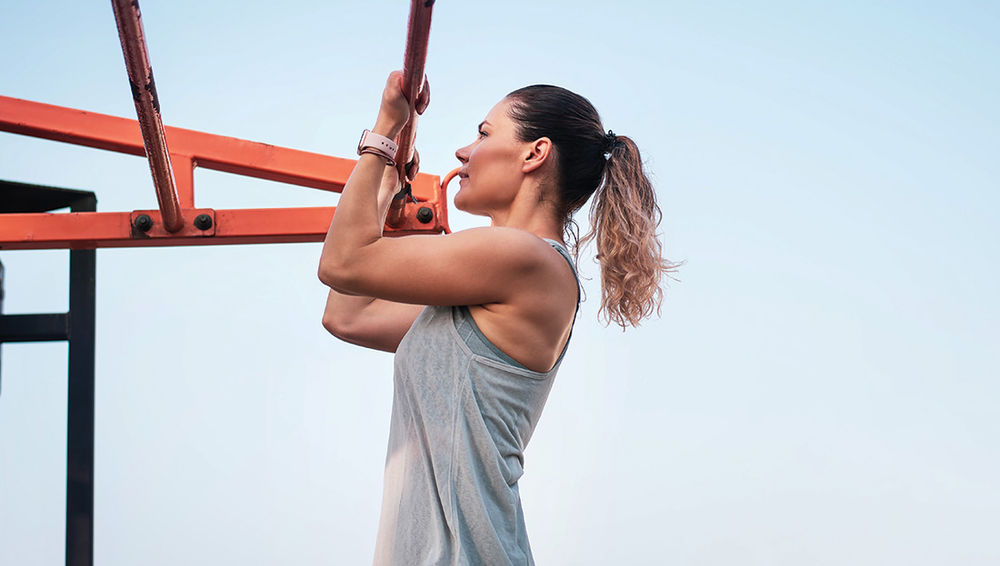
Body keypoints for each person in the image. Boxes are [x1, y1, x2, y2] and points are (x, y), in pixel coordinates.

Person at [318, 71, 677, 566]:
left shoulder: (523, 259)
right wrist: (388, 175)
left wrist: (384, 130)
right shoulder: (494, 277)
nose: (464, 152)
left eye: (484, 134)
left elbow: (343, 263)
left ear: (535, 154)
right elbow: (347, 312)